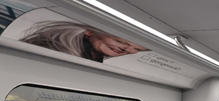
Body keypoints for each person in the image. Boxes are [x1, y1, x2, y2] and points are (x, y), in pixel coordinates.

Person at [20, 21, 148, 62]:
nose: (128, 50)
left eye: (136, 49)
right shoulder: (52, 49)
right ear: (89, 31)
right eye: (122, 42)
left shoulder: (93, 55)